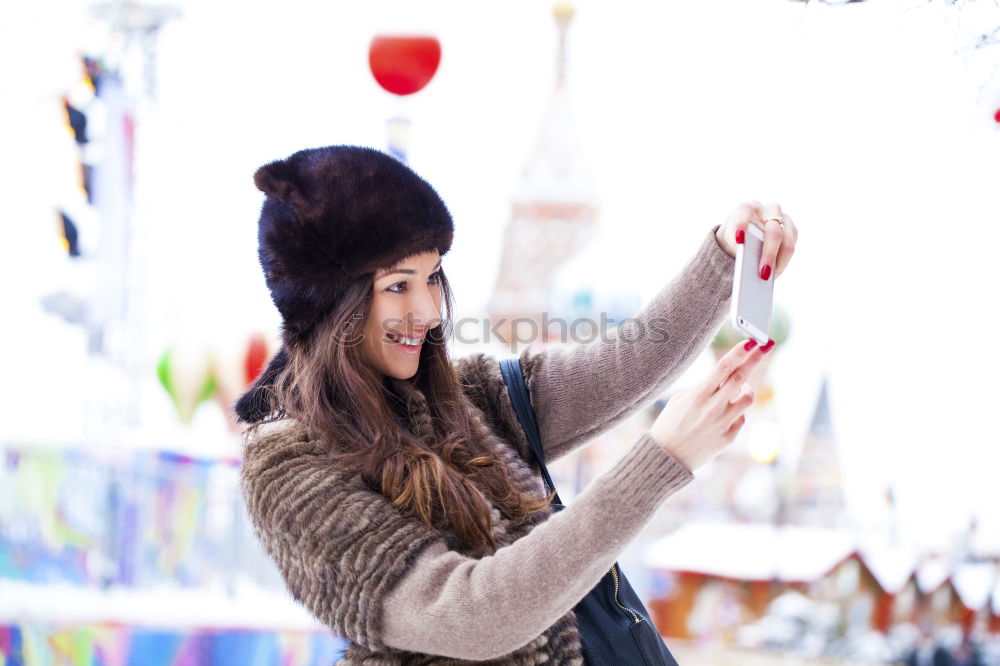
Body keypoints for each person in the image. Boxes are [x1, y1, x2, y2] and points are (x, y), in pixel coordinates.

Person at [235, 145, 798, 664]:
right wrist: (658, 463)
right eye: (398, 286)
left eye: (433, 278)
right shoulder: (289, 474)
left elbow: (623, 365)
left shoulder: (467, 397)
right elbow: (470, 615)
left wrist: (725, 256)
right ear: (331, 302)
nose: (429, 310)